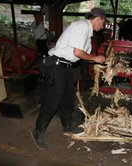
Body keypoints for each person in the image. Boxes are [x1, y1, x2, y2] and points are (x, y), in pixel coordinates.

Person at [32, 7, 107, 150]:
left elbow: (81, 55)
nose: (103, 26)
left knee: (68, 98)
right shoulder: (82, 27)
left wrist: (96, 60)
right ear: (98, 18)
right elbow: (78, 52)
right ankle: (38, 132)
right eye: (103, 23)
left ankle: (67, 127)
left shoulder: (87, 32)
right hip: (57, 65)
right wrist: (94, 57)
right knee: (52, 100)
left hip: (66, 66)